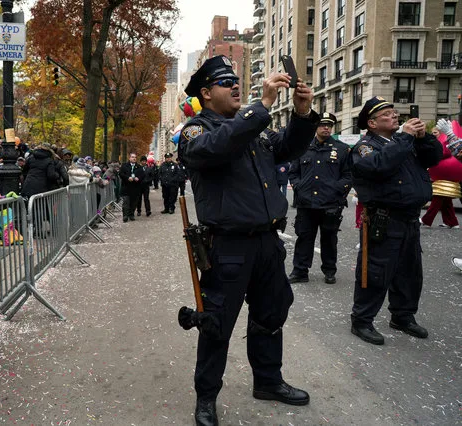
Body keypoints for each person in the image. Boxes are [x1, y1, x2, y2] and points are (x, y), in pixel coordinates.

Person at [179, 55, 318, 424]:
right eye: (226, 83)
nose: (236, 86)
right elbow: (217, 147)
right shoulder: (197, 130)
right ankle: (206, 397)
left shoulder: (251, 127)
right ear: (206, 94)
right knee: (216, 324)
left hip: (266, 241)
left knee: (271, 314)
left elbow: (287, 148)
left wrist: (303, 115)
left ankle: (268, 380)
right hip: (227, 247)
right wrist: (264, 104)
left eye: (236, 80)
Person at [350, 96, 442, 346]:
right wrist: (405, 137)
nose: (394, 117)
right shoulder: (366, 146)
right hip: (383, 219)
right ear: (371, 123)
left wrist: (424, 137)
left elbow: (435, 158)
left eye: (394, 113)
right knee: (376, 272)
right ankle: (362, 320)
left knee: (409, 272)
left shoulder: (406, 143)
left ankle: (403, 316)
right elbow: (380, 166)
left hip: (410, 218)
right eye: (386, 115)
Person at [288, 112, 352, 284]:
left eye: (329, 125)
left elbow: (348, 176)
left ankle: (329, 270)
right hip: (306, 203)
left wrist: (337, 191)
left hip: (330, 204)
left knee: (329, 239)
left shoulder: (341, 149)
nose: (326, 128)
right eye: (323, 125)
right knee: (304, 238)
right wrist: (299, 187)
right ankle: (300, 271)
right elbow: (293, 172)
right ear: (316, 127)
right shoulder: (303, 148)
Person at [419, 119, 462, 228]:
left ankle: (426, 219)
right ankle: (452, 221)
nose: (434, 134)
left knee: (438, 197)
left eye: (436, 132)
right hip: (442, 175)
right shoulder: (440, 139)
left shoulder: (444, 140)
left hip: (446, 176)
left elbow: (449, 153)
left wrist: (450, 135)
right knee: (445, 200)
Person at [118, 152, 144, 222]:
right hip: (126, 187)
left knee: (134, 202)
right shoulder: (124, 166)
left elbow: (142, 175)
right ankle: (125, 215)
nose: (134, 158)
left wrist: (138, 178)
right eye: (132, 157)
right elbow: (121, 174)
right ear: (129, 158)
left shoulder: (139, 167)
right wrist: (127, 178)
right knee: (126, 202)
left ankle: (131, 214)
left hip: (135, 188)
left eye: (135, 157)